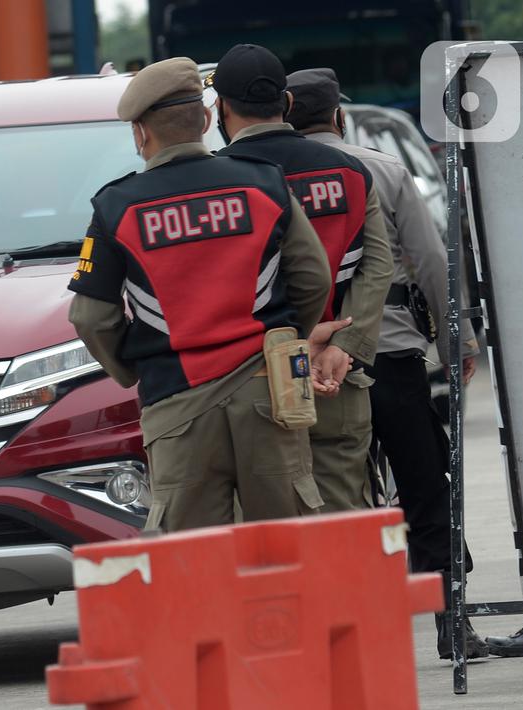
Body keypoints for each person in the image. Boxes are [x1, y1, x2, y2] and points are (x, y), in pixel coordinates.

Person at [68, 57, 336, 532]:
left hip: (175, 402)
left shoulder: (116, 206)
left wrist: (131, 366)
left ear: (140, 134)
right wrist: (284, 335)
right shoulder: (263, 182)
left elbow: (90, 316)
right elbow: (313, 277)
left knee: (193, 562)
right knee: (290, 547)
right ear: (207, 120)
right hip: (269, 391)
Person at [284, 67, 490, 659]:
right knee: (425, 487)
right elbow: (431, 263)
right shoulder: (383, 169)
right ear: (340, 117)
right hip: (391, 354)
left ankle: (343, 638)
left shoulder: (267, 177)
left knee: (325, 496)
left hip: (306, 366)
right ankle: (453, 624)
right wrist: (459, 346)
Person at [215, 44, 394, 513]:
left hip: (253, 382)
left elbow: (217, 288)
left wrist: (290, 345)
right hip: (336, 377)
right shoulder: (351, 173)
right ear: (287, 104)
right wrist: (342, 346)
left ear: (221, 107)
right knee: (344, 526)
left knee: (267, 536)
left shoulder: (216, 186)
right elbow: (378, 265)